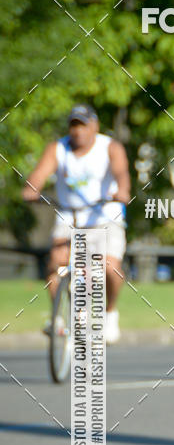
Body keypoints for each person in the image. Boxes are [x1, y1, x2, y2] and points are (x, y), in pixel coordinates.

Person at [22, 104, 130, 344]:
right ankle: (58, 317)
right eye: (74, 125)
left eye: (83, 125)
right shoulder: (58, 148)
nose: (78, 131)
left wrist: (122, 191)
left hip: (104, 216)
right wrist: (31, 190)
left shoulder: (109, 147)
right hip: (69, 216)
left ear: (95, 126)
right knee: (55, 264)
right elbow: (39, 175)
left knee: (110, 267)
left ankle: (110, 314)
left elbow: (121, 174)